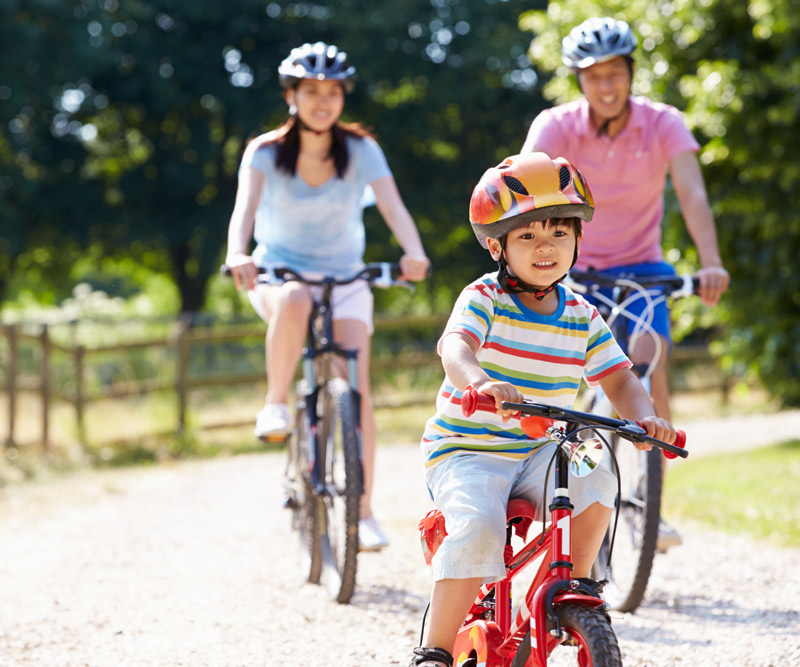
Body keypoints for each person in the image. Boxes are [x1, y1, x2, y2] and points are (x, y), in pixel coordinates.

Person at [409, 152, 677, 667]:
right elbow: (455, 348)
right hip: (469, 450)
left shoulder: (581, 314)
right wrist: (481, 382)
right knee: (477, 526)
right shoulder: (484, 296)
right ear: (497, 245)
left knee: (598, 469)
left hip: (542, 448)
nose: (546, 246)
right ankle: (435, 650)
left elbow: (620, 377)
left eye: (559, 232)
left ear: (578, 239)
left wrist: (644, 417)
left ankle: (572, 586)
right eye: (527, 235)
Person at [521, 16, 730, 549]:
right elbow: (526, 189)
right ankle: (575, 486)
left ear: (631, 73)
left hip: (642, 269)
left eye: (615, 73)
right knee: (572, 382)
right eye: (594, 76)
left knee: (647, 354)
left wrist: (710, 261)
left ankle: (647, 501)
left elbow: (693, 197)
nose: (606, 85)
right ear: (579, 81)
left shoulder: (663, 124)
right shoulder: (556, 125)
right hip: (575, 269)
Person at [225, 42, 430, 551]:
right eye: (311, 91)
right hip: (279, 274)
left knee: (354, 387)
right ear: (291, 95)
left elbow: (394, 207)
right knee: (294, 299)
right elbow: (243, 211)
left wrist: (414, 251)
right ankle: (275, 405)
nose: (322, 101)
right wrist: (238, 253)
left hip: (345, 279)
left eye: (332, 92)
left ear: (343, 98)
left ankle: (362, 514)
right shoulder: (266, 152)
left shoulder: (361, 150)